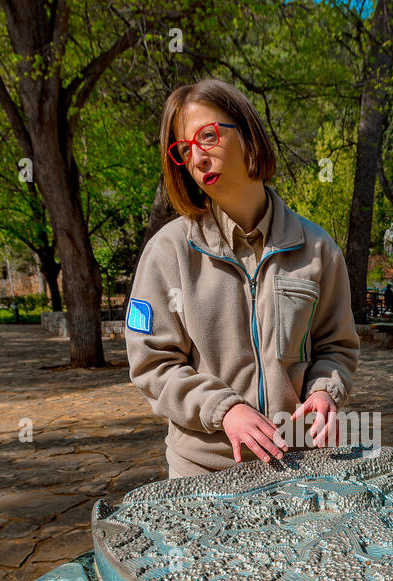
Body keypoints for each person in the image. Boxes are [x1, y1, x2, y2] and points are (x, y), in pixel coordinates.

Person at [125, 79, 360, 479]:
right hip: (205, 472)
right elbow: (153, 365)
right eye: (184, 150)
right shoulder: (168, 253)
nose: (197, 157)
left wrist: (324, 391)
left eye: (208, 136)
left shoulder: (318, 250)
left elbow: (335, 347)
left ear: (249, 136)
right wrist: (224, 409)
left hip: (300, 466)